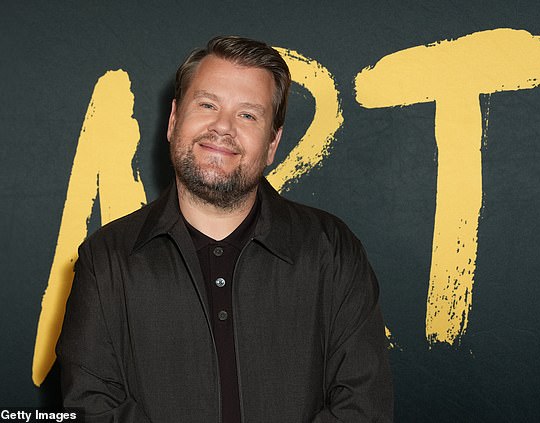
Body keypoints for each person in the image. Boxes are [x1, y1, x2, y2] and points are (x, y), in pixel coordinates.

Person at [56, 35, 393, 423]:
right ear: (173, 120)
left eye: (248, 115)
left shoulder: (333, 252)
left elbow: (363, 409)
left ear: (272, 144)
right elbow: (92, 407)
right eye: (207, 105)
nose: (222, 127)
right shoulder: (105, 259)